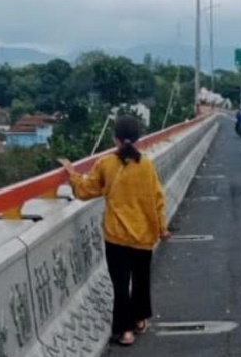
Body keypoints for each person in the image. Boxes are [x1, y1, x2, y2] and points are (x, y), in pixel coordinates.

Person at [58, 115, 171, 346]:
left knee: (121, 285)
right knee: (141, 280)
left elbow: (85, 191)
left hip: (116, 236)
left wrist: (72, 175)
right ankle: (140, 320)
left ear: (115, 139)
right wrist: (162, 228)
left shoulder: (106, 164)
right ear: (138, 138)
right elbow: (157, 199)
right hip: (143, 234)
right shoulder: (146, 165)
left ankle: (125, 332)